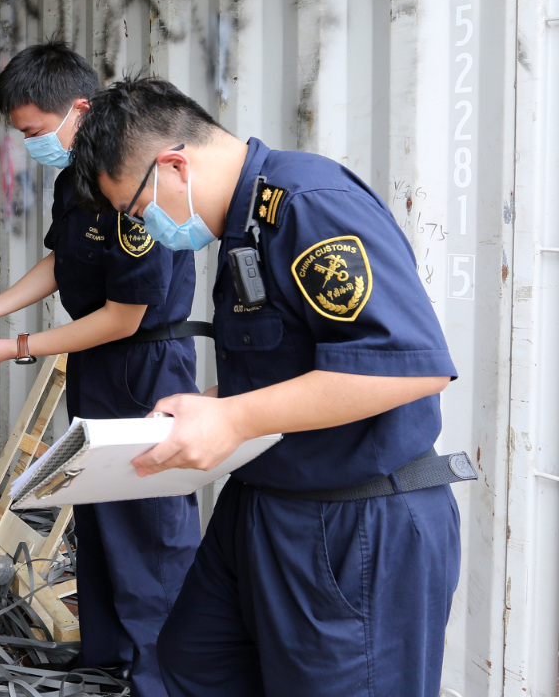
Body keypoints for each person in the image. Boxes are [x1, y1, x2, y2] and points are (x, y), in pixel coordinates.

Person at [68, 75, 470, 697]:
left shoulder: (308, 203)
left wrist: (234, 420)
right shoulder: (244, 226)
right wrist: (215, 405)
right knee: (191, 663)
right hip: (264, 507)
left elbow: (408, 363)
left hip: (353, 525)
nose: (145, 228)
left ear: (175, 165)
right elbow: (296, 365)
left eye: (138, 210)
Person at [0, 42, 203, 697]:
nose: (33, 145)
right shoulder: (74, 180)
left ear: (78, 109)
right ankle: (107, 658)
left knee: (152, 527)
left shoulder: (138, 184)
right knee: (98, 512)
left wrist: (16, 348)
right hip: (96, 364)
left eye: (34, 131)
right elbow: (63, 261)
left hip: (147, 365)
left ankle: (160, 679)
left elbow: (125, 316)